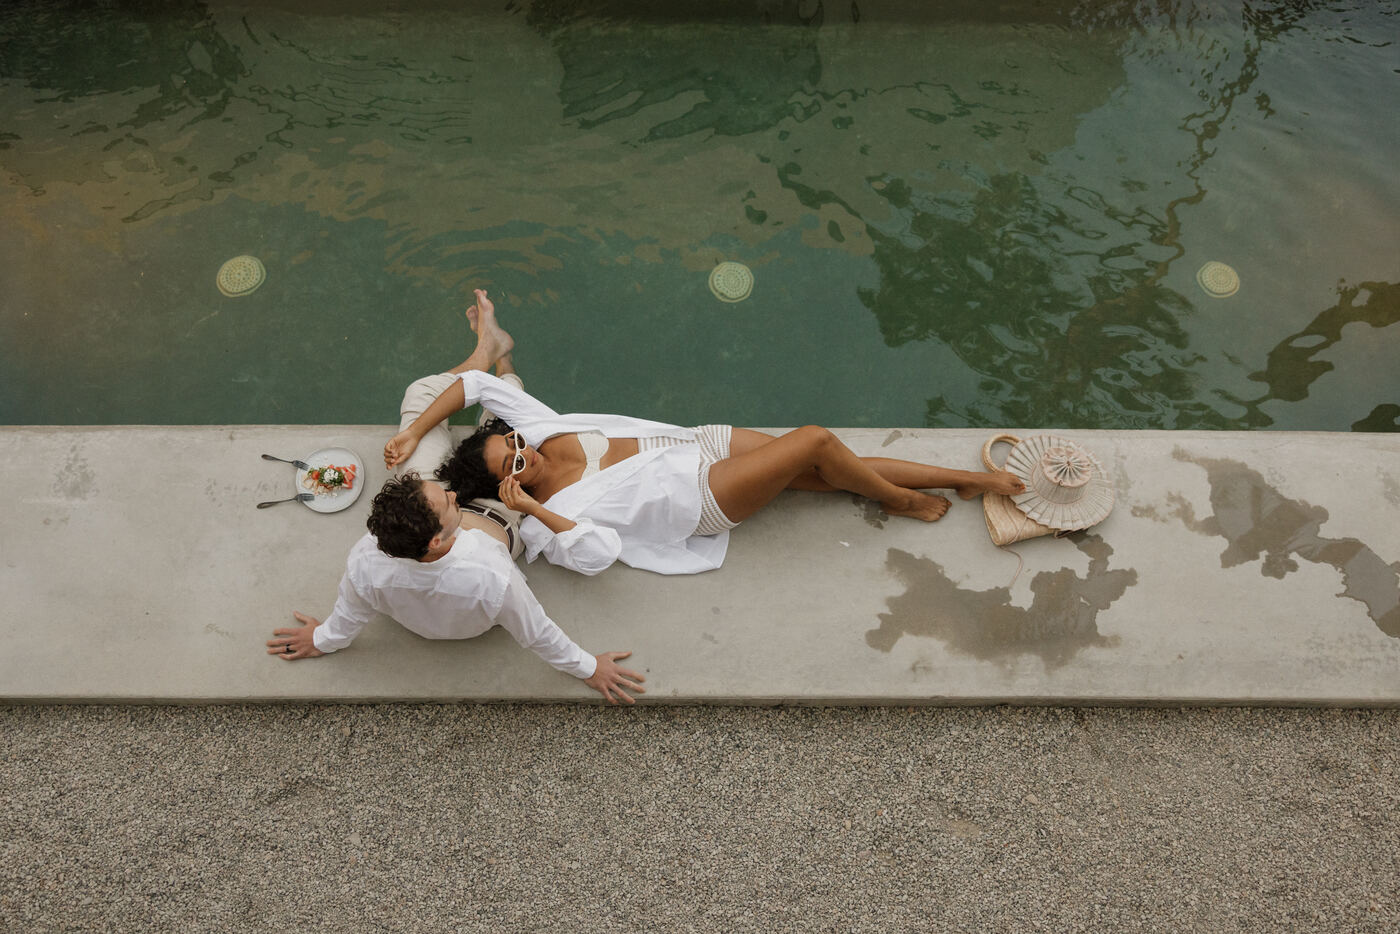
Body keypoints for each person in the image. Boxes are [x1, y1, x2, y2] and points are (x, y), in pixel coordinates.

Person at [383, 290, 1026, 577]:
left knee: (830, 471)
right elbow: (597, 557)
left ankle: (966, 481)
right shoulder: (558, 513)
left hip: (698, 443)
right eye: (512, 462)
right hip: (702, 500)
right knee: (816, 443)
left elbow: (473, 390)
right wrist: (535, 515)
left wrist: (415, 432)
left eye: (514, 443)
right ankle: (902, 499)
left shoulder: (544, 433)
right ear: (505, 485)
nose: (524, 453)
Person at [266, 290, 645, 704]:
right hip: (502, 514)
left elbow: (349, 615)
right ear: (437, 540)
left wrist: (322, 640)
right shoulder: (491, 577)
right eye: (447, 500)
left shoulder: (367, 557)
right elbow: (538, 633)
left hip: (436, 539)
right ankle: (504, 367)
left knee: (422, 400)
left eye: (435, 489)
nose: (452, 494)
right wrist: (591, 669)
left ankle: (482, 356)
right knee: (508, 432)